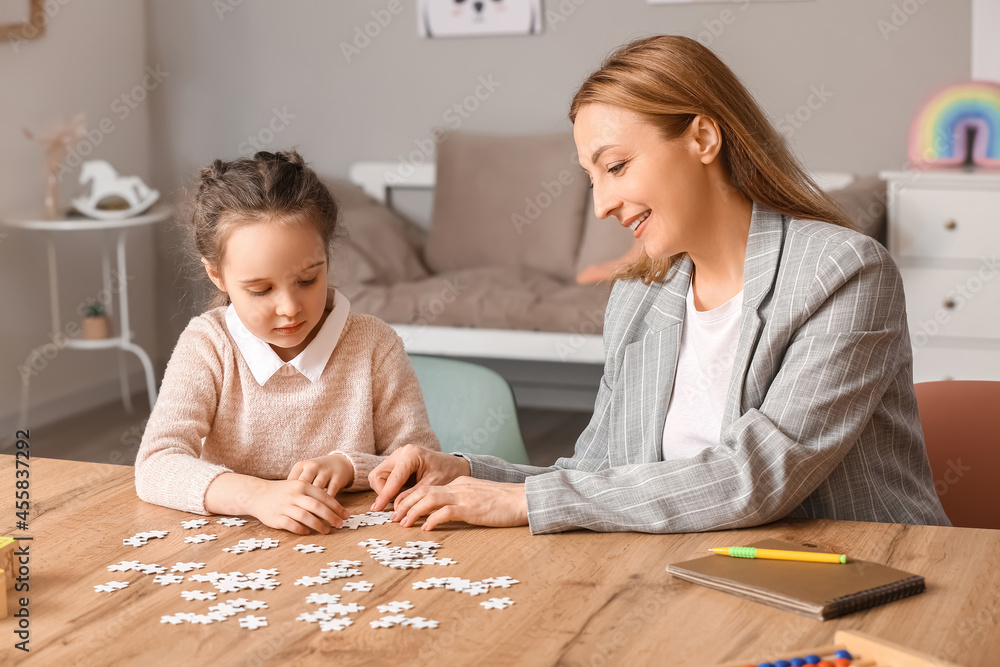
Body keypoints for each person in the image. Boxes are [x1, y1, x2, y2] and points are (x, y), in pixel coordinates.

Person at [367, 35, 950, 534]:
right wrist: (467, 473)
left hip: (865, 575)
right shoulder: (640, 297)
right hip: (709, 571)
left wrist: (526, 502)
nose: (601, 205)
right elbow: (599, 475)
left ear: (702, 138)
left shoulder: (843, 273)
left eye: (615, 167)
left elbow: (759, 475)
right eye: (591, 179)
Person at [135, 150, 439, 534]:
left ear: (327, 258)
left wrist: (349, 466)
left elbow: (420, 463)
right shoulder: (207, 344)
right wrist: (256, 496)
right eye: (261, 289)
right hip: (231, 551)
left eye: (308, 280)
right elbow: (156, 464)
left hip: (352, 544)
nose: (290, 308)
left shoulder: (375, 344)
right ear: (217, 275)